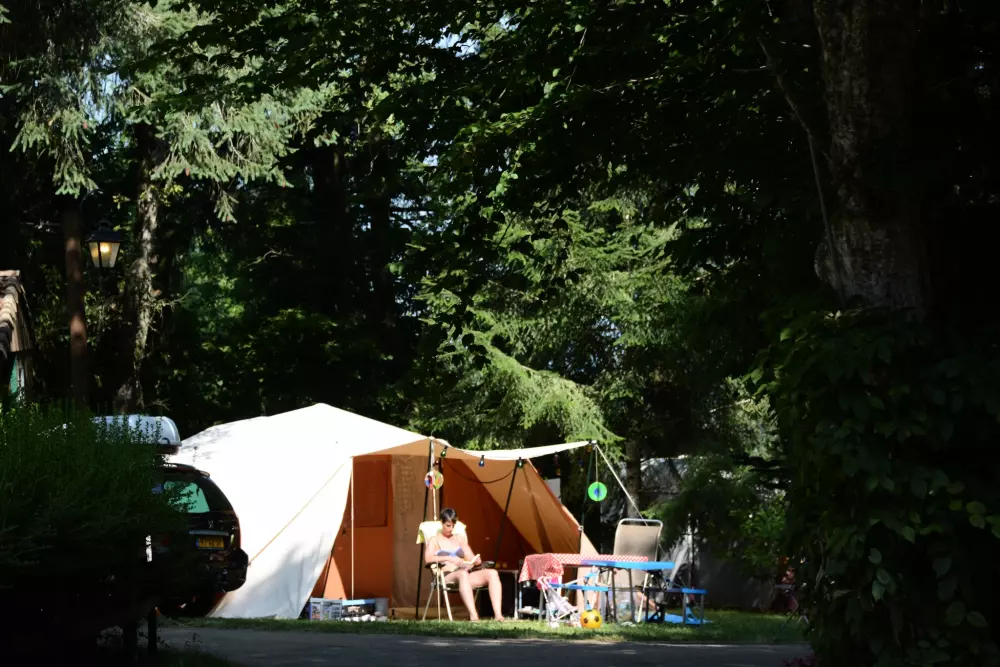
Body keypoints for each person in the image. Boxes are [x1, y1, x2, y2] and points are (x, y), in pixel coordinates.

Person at [423, 508, 504, 621]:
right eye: (448, 525)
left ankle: (498, 615)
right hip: (446, 576)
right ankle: (474, 616)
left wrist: (475, 561)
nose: (451, 529)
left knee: (492, 573)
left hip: (464, 575)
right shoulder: (434, 540)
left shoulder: (459, 539)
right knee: (462, 574)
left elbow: (470, 557)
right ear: (441, 522)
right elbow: (428, 559)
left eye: (453, 526)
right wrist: (449, 558)